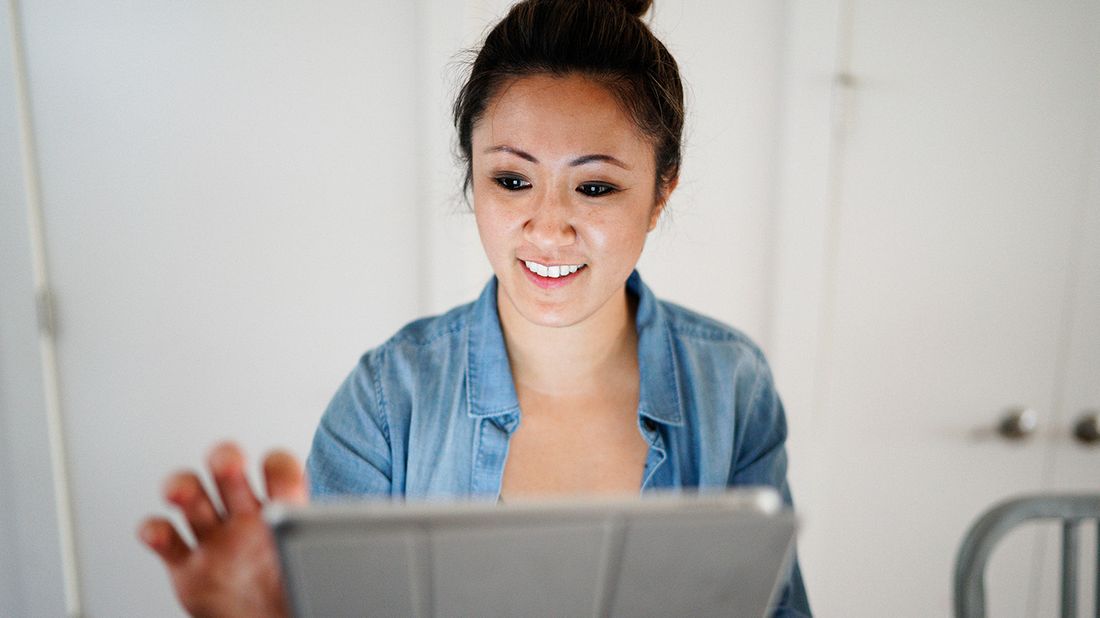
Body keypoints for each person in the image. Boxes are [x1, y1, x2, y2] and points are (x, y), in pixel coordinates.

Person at [138, 0, 812, 615]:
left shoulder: (732, 386)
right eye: (512, 179)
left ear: (661, 192)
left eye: (597, 186)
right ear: (472, 173)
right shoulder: (385, 402)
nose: (548, 227)